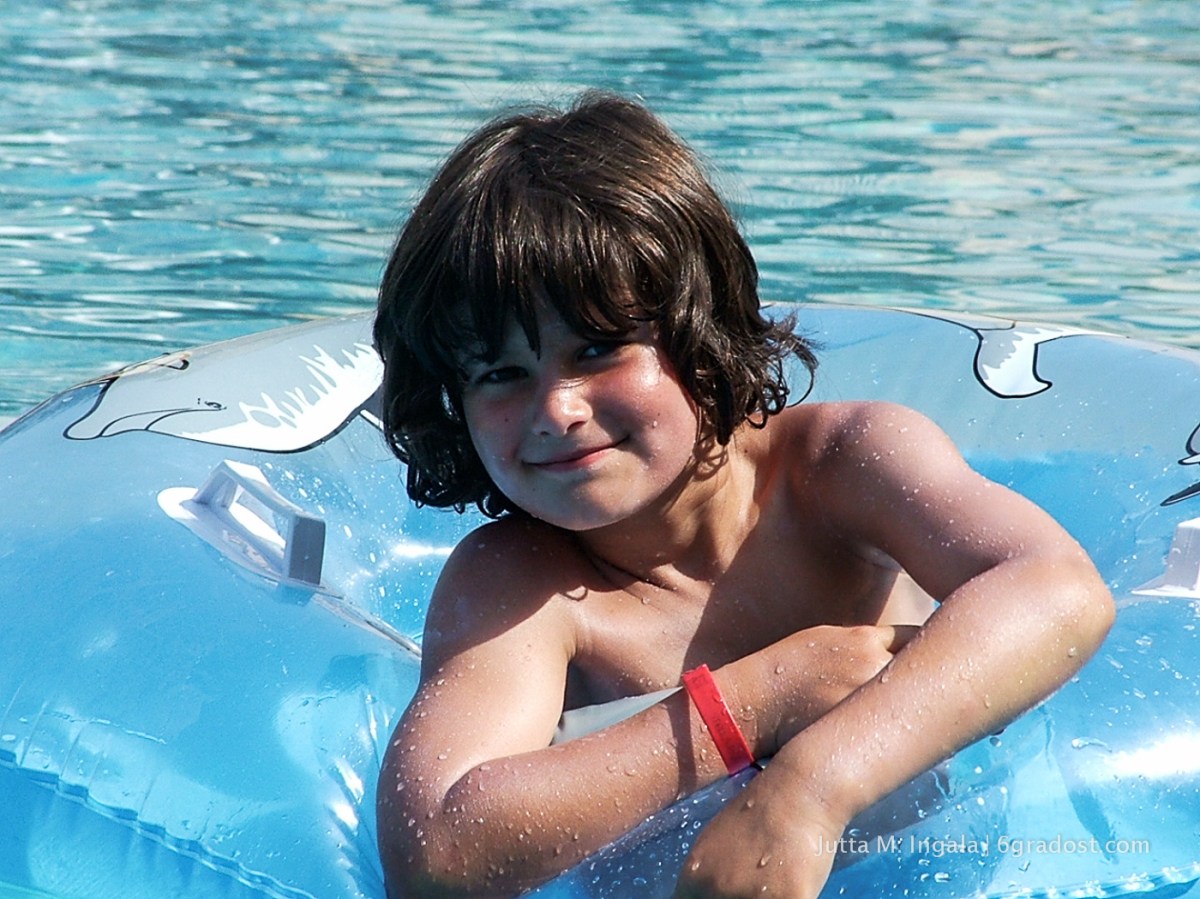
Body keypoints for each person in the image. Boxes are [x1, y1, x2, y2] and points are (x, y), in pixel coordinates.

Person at [371, 90, 1114, 899]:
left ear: (702, 327)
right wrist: (759, 700)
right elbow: (435, 852)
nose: (557, 410)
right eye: (500, 373)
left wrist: (809, 790)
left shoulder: (836, 469)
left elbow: (1057, 587)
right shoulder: (522, 585)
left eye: (597, 348)